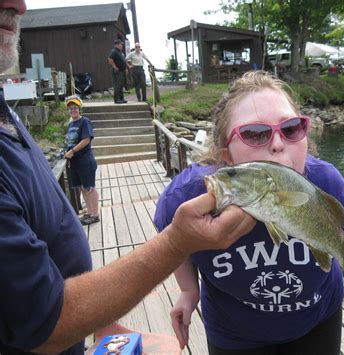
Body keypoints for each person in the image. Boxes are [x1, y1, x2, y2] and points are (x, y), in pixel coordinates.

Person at [0, 1, 256, 354]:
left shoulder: (5, 112)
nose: (19, 5)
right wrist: (176, 243)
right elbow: (40, 323)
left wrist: (102, 324)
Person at [154, 71, 344, 354]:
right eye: (255, 133)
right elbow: (174, 240)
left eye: (291, 128)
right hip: (234, 332)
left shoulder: (322, 180)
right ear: (226, 154)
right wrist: (188, 290)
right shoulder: (186, 197)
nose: (278, 142)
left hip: (316, 321)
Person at [64, 95, 100, 225]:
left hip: (85, 160)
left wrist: (72, 151)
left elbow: (86, 140)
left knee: (90, 187)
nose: (73, 110)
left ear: (79, 108)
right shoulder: (70, 124)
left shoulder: (84, 121)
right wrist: (67, 151)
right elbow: (70, 141)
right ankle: (89, 212)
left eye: (75, 107)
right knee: (83, 188)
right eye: (70, 108)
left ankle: (95, 214)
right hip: (75, 162)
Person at [107, 39, 128, 104]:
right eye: (120, 44)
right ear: (116, 45)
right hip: (117, 71)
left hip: (121, 71)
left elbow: (124, 61)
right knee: (117, 85)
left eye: (121, 44)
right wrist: (115, 67)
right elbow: (109, 59)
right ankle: (117, 99)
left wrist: (126, 68)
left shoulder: (120, 52)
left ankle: (121, 98)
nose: (121, 45)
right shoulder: (114, 51)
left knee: (121, 85)